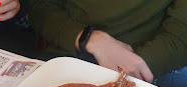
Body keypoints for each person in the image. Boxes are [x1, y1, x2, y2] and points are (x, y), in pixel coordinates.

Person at [26, 0, 187, 81]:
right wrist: (88, 39)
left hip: (130, 70)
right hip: (60, 57)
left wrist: (129, 71)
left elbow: (180, 39)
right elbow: (41, 7)